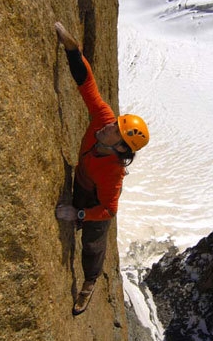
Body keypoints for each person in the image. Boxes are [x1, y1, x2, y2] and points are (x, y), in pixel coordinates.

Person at [54, 22, 149, 315]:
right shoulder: (103, 120)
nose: (108, 125)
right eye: (113, 123)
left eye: (114, 130)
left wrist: (80, 214)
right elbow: (87, 86)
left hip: (96, 201)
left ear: (121, 147)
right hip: (83, 184)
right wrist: (73, 50)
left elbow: (108, 210)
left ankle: (90, 282)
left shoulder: (113, 173)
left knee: (93, 245)